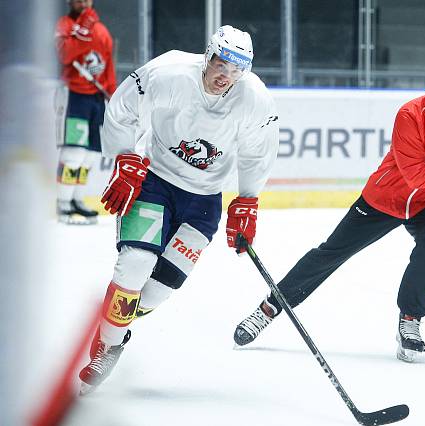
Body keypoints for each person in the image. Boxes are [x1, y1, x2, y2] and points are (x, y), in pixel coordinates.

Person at [232, 59, 425, 363]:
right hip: (384, 198)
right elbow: (415, 174)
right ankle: (270, 307)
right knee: (330, 253)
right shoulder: (411, 114)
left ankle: (410, 319)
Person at [77, 25, 280, 394]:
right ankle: (106, 346)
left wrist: (248, 199)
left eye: (237, 70)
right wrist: (126, 156)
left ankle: (115, 324)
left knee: (155, 292)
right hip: (153, 182)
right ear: (209, 55)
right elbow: (123, 109)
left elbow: (257, 152)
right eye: (221, 64)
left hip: (203, 202)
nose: (226, 77)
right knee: (135, 264)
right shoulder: (168, 72)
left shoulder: (255, 100)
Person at [54, 0, 117, 224]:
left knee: (90, 154)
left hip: (96, 99)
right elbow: (64, 56)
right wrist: (81, 32)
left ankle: (77, 199)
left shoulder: (101, 30)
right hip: (75, 96)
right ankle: (63, 203)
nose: (82, 3)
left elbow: (108, 65)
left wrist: (112, 93)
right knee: (73, 152)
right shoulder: (64, 25)